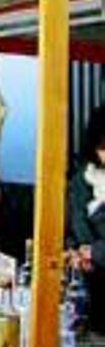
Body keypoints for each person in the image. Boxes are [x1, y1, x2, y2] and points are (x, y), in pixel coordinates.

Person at [67, 105, 105, 333]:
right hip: (89, 290)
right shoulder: (81, 179)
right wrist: (74, 253)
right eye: (103, 146)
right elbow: (70, 227)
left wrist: (94, 252)